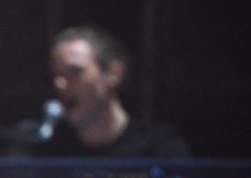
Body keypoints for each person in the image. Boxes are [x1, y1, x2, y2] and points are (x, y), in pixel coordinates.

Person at [15, 26, 190, 157]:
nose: (59, 83)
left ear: (113, 74)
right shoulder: (42, 151)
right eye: (56, 74)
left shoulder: (160, 150)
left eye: (75, 72)